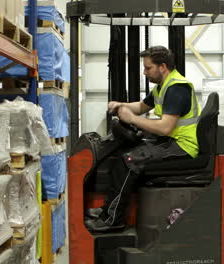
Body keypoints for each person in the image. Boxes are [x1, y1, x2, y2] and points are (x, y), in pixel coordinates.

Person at [85, 46, 201, 232]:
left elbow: (165, 127)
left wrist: (132, 119)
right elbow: (141, 106)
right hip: (170, 141)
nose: (144, 72)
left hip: (182, 146)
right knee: (122, 153)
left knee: (130, 160)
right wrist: (121, 105)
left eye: (148, 68)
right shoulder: (162, 87)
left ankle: (113, 221)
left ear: (162, 67)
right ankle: (107, 209)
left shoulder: (177, 88)